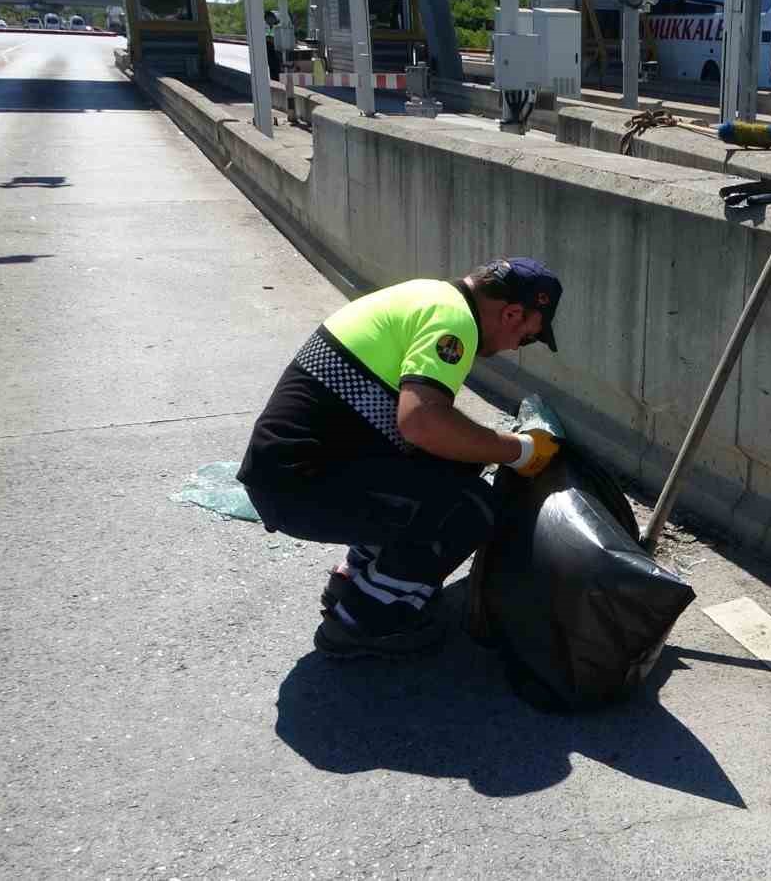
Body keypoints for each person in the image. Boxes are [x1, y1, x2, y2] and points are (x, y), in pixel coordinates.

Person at [238, 259, 565, 658]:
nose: (517, 347)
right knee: (470, 508)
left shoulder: (428, 295)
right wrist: (521, 450)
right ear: (512, 313)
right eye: (526, 336)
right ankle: (363, 620)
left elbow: (427, 427)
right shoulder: (454, 321)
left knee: (459, 462)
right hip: (297, 485)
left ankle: (356, 579)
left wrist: (491, 446)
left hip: (293, 470)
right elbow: (422, 422)